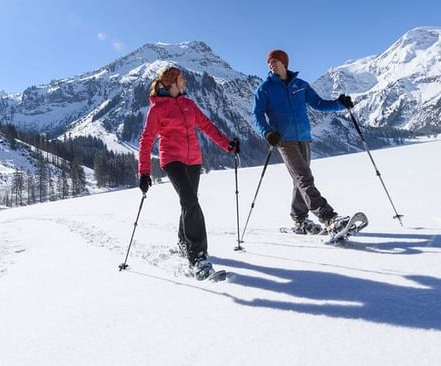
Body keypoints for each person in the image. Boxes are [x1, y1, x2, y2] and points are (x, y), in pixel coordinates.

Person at [138, 66, 239, 279]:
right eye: (182, 78)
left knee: (188, 202)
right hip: (172, 160)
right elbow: (146, 140)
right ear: (172, 82)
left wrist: (227, 145)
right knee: (191, 201)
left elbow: (207, 127)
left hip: (193, 160)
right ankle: (198, 256)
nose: (185, 81)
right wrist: (144, 172)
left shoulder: (188, 105)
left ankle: (184, 242)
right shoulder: (157, 109)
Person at [252, 49, 355, 235]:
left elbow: (319, 104)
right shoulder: (265, 88)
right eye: (269, 62)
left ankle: (299, 219)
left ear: (284, 62)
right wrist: (267, 132)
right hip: (284, 140)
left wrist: (340, 103)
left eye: (275, 61)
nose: (271, 64)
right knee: (304, 179)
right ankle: (328, 217)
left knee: (299, 181)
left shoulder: (300, 85)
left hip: (304, 138)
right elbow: (257, 115)